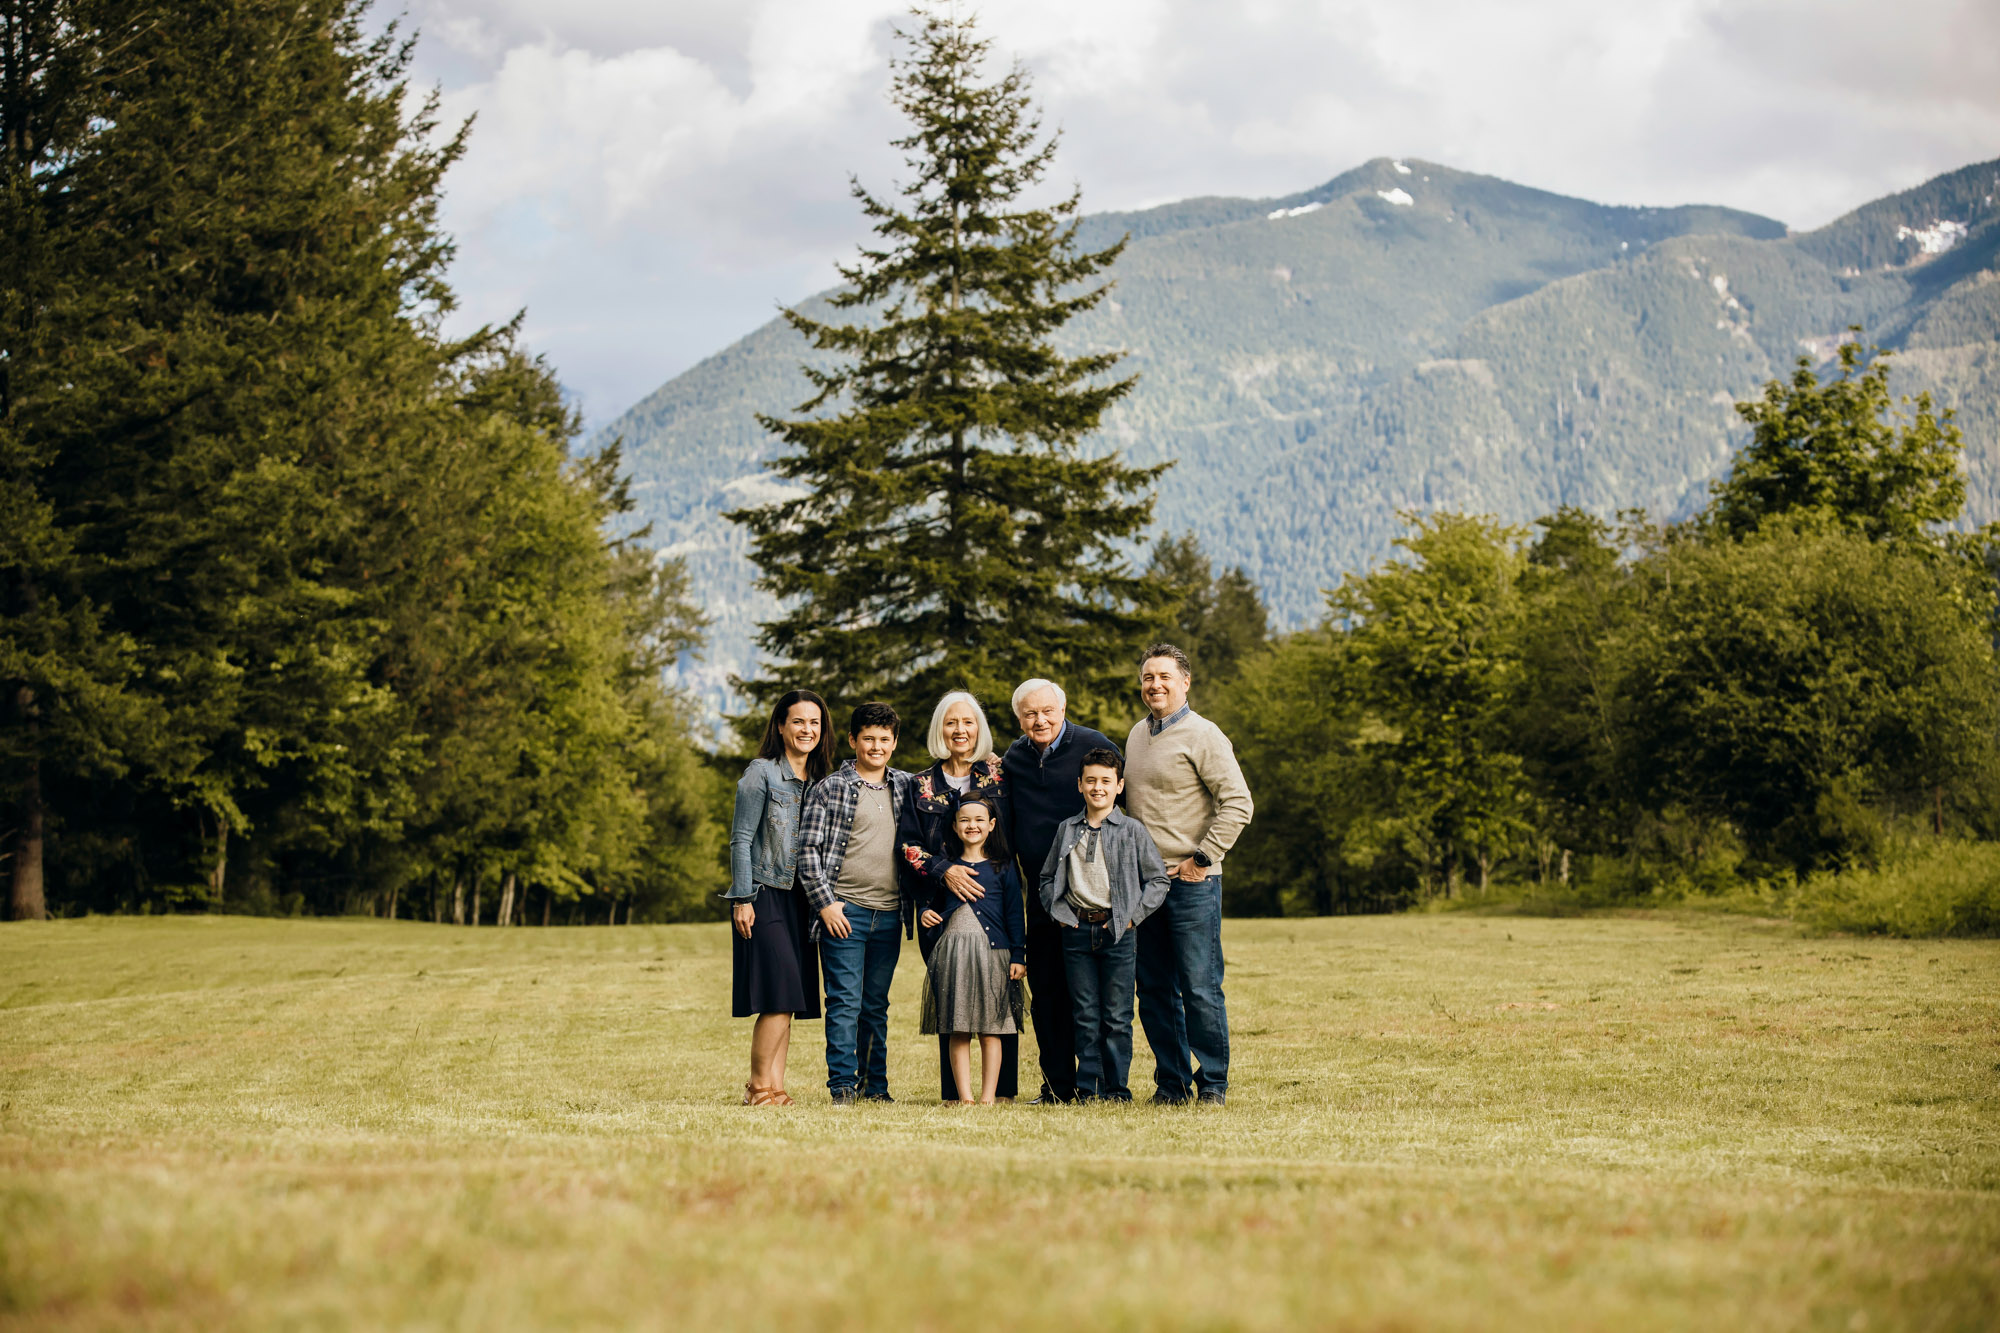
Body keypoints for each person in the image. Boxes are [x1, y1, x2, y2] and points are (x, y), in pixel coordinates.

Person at [1124, 643, 1254, 1106]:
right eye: (1147, 678)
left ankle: (1213, 1084)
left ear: (1185, 682)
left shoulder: (1205, 735)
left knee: (1199, 986)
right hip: (1144, 886)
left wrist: (1202, 859)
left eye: (1163, 677)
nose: (1154, 685)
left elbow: (1239, 804)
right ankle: (1172, 1084)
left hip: (1192, 882)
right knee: (1154, 989)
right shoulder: (1137, 736)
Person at [1001, 678, 1120, 1104]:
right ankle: (1056, 1086)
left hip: (1091, 895)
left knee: (1092, 995)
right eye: (1030, 714)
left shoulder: (1092, 744)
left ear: (1063, 707)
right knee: (1048, 991)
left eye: (1048, 711)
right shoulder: (1014, 757)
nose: (1040, 720)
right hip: (1042, 895)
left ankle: (1102, 1085)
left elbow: (1119, 804)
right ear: (1019, 718)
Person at [896, 690, 1020, 1102]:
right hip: (940, 908)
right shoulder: (920, 786)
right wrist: (943, 870)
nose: (960, 730)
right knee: (954, 994)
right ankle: (957, 1093)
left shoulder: (1000, 777)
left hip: (995, 898)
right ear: (940, 730)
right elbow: (908, 845)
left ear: (979, 728)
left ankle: (998, 1093)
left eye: (968, 722)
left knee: (997, 992)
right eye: (951, 722)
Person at [1037, 748, 1171, 1102]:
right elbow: (1047, 878)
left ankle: (1116, 1089)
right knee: (1084, 1014)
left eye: (1106, 781)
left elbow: (1158, 880)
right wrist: (1061, 914)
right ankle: (1089, 1088)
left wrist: (1131, 917)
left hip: (1118, 934)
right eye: (1091, 781)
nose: (1098, 788)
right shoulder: (1067, 829)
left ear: (1119, 786)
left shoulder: (1132, 831)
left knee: (1116, 1016)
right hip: (1077, 931)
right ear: (1079, 785)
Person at [799, 701, 915, 1105]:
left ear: (895, 742)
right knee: (845, 1002)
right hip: (844, 912)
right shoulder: (830, 788)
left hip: (888, 915)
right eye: (869, 739)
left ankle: (876, 1086)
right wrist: (825, 904)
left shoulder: (905, 786)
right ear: (853, 740)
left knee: (875, 1006)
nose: (877, 746)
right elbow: (808, 851)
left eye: (884, 739)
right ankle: (843, 1087)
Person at [727, 689, 837, 1107]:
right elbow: (740, 839)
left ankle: (776, 1086)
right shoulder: (762, 773)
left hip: (802, 900)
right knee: (779, 992)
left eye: (814, 722)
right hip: (764, 893)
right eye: (798, 721)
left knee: (789, 999)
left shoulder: (822, 781)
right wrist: (742, 898)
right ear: (781, 726)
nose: (807, 729)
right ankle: (758, 1087)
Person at [916, 797, 1026, 1104]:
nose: (972, 825)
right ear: (954, 826)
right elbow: (933, 907)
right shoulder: (947, 869)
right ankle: (965, 1097)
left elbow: (1015, 914)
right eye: (965, 820)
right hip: (955, 955)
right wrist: (926, 914)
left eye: (979, 820)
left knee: (992, 1030)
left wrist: (1018, 954)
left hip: (993, 955)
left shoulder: (1002, 867)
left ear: (991, 826)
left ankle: (989, 1096)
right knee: (958, 1028)